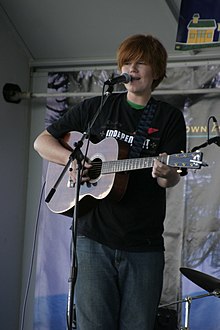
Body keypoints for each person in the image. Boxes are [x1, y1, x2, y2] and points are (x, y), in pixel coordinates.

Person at [34, 34, 187, 330]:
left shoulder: (169, 117)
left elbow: (172, 178)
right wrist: (76, 161)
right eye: (127, 63)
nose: (132, 69)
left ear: (156, 71)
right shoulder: (98, 108)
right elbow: (42, 142)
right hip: (92, 238)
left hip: (143, 244)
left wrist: (165, 172)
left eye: (140, 63)